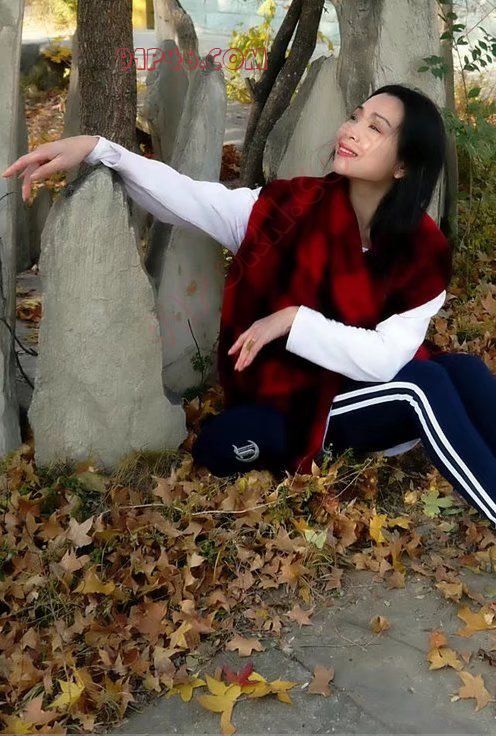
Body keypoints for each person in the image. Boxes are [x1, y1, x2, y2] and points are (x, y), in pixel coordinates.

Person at [3, 83, 496, 527]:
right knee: (417, 387)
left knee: (463, 371)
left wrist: (293, 320)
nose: (351, 130)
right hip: (293, 398)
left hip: (364, 389)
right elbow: (187, 198)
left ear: (403, 165)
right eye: (355, 116)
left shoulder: (423, 251)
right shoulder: (290, 210)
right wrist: (99, 148)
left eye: (376, 128)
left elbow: (386, 358)